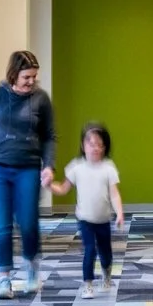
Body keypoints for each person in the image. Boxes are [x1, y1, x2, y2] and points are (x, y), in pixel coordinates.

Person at [0, 49, 56, 296]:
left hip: (27, 167)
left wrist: (48, 166)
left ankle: (31, 267)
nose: (31, 81)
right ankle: (3, 278)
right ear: (13, 74)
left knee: (28, 222)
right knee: (2, 225)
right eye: (27, 76)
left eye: (34, 77)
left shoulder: (40, 99)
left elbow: (49, 136)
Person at [53, 123, 125, 294]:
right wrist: (49, 185)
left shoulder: (108, 168)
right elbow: (63, 188)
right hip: (85, 219)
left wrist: (120, 213)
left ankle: (106, 274)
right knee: (90, 249)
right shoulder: (76, 167)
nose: (95, 148)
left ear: (104, 147)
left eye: (99, 144)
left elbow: (114, 194)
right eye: (91, 144)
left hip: (103, 219)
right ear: (83, 146)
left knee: (105, 252)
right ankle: (88, 284)